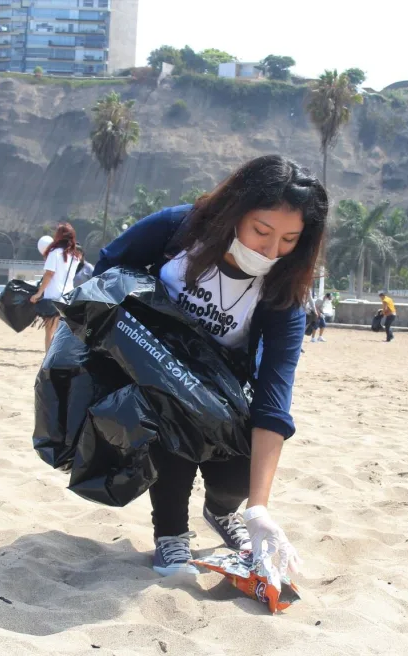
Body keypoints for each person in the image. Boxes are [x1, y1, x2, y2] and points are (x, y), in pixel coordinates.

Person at [93, 154, 327, 579]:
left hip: (226, 391)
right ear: (236, 208)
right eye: (261, 231)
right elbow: (105, 273)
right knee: (173, 420)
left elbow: (275, 398)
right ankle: (170, 535)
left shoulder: (282, 295)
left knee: (239, 470)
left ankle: (223, 512)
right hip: (151, 382)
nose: (271, 251)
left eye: (290, 239)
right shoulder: (180, 230)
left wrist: (259, 508)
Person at [29, 223, 81, 350]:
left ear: (58, 237)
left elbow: (49, 274)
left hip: (53, 297)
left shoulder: (55, 253)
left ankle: (49, 360)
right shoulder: (75, 256)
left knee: (50, 332)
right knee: (61, 333)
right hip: (68, 298)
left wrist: (39, 292)